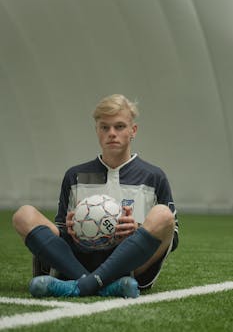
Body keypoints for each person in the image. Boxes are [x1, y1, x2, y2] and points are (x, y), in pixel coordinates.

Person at [12, 94, 178, 299]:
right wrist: (70, 227)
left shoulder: (153, 176)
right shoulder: (75, 175)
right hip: (78, 258)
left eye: (119, 127)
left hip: (130, 265)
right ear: (97, 131)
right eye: (105, 127)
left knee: (164, 215)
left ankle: (81, 285)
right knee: (23, 214)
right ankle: (93, 283)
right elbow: (59, 231)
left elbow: (173, 236)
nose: (112, 134)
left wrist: (137, 230)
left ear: (133, 131)